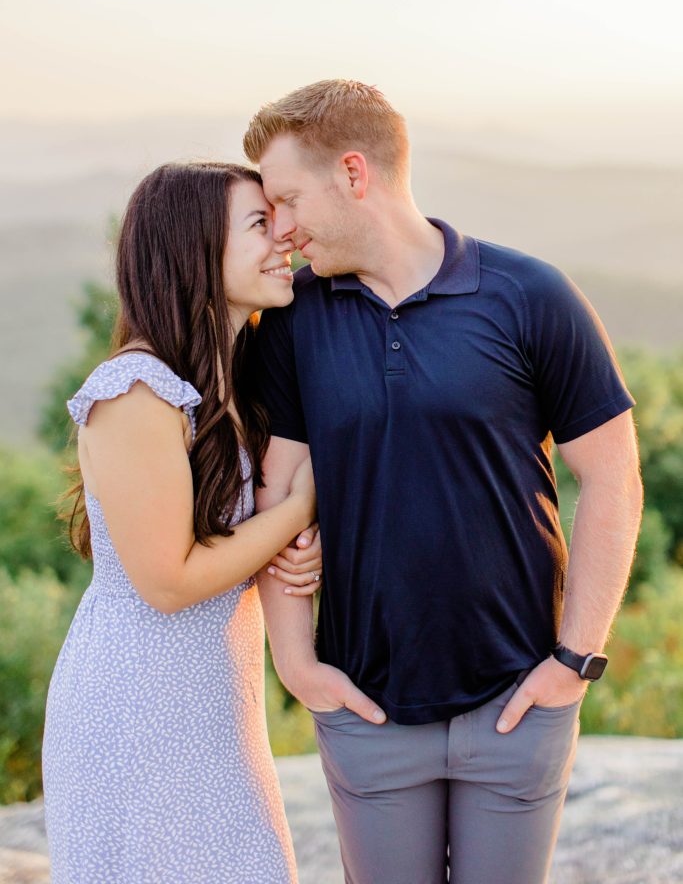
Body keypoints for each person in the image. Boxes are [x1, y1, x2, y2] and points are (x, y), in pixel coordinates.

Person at [243, 80, 644, 884]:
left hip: (518, 703)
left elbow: (612, 479)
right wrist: (296, 665)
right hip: (367, 709)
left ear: (353, 174)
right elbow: (277, 490)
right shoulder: (293, 319)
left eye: (286, 199)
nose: (279, 230)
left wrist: (575, 658)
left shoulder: (529, 296)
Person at [42, 161, 324, 884]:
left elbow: (222, 540)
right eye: (259, 225)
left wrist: (292, 549)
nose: (282, 237)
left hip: (206, 709)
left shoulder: (222, 381)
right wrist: (295, 509)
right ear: (193, 248)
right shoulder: (135, 393)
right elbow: (169, 580)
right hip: (137, 713)